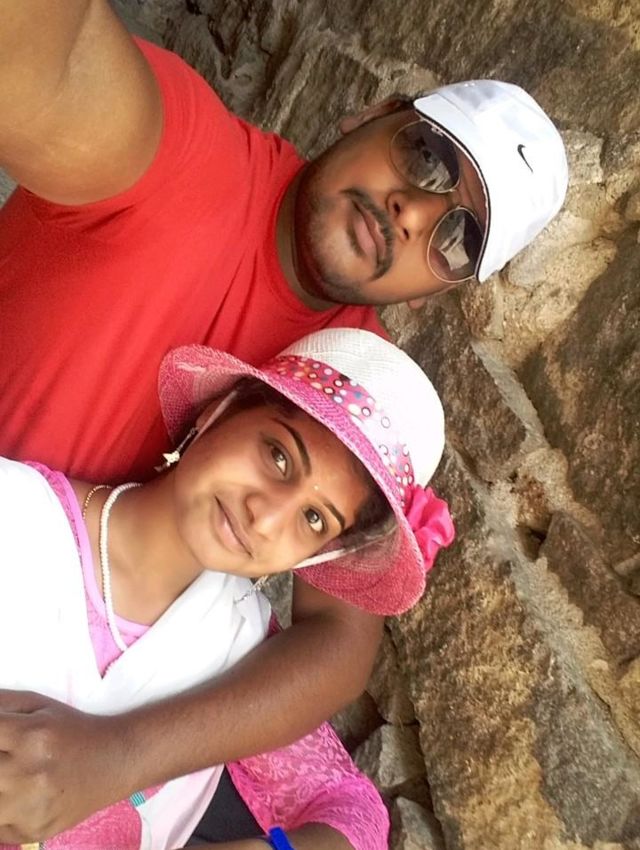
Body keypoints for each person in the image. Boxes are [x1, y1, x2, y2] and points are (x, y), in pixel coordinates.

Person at [0, 1, 568, 840]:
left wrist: (118, 756)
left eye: (456, 238)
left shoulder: (349, 388)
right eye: (428, 157)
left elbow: (338, 647)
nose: (413, 212)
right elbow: (43, 64)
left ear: (440, 291)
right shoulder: (184, 159)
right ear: (368, 114)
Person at [0, 328, 454, 849]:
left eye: (313, 518)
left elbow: (358, 817)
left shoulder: (240, 654)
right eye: (278, 456)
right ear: (218, 412)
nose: (266, 517)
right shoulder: (16, 512)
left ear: (318, 554)